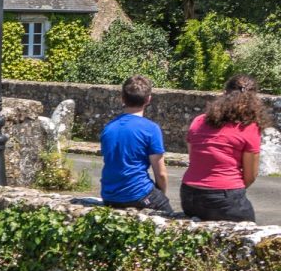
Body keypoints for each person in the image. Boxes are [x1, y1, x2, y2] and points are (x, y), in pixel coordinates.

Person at [181, 75, 269, 223]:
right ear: (254, 100)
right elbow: (250, 175)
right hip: (225, 197)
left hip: (189, 195)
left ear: (224, 94)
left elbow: (195, 158)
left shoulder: (198, 121)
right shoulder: (250, 127)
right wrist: (230, 189)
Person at [99, 75, 172, 212]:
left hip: (109, 196)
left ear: (122, 98)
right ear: (148, 99)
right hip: (137, 194)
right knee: (171, 219)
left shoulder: (108, 128)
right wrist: (161, 194)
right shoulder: (151, 129)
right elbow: (161, 174)